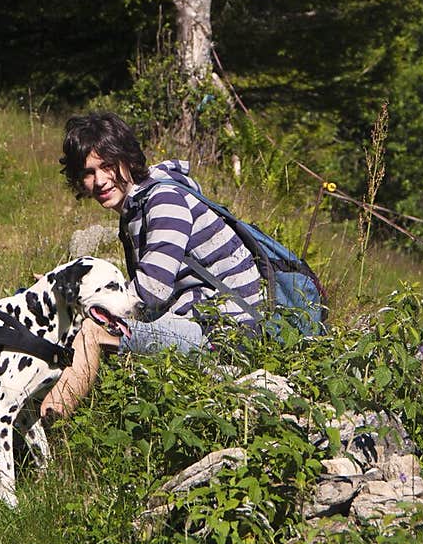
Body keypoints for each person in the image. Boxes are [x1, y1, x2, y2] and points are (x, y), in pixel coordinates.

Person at [38, 111, 262, 422]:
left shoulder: (164, 201)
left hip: (226, 335)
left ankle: (46, 426)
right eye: (89, 172)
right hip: (203, 322)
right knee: (77, 322)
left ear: (127, 158)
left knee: (93, 329)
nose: (100, 180)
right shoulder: (141, 202)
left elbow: (151, 292)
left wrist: (80, 307)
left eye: (107, 165)